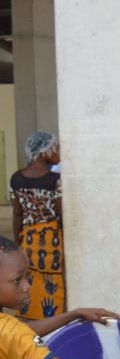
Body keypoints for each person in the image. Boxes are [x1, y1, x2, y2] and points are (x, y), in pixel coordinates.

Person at [9, 132, 64, 319]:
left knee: (29, 279)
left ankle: (29, 320)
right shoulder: (54, 181)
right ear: (44, 151)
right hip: (52, 242)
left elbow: (17, 213)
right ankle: (52, 320)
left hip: (29, 240)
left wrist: (18, 241)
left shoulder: (16, 178)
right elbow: (61, 212)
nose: (59, 153)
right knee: (53, 282)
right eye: (56, 148)